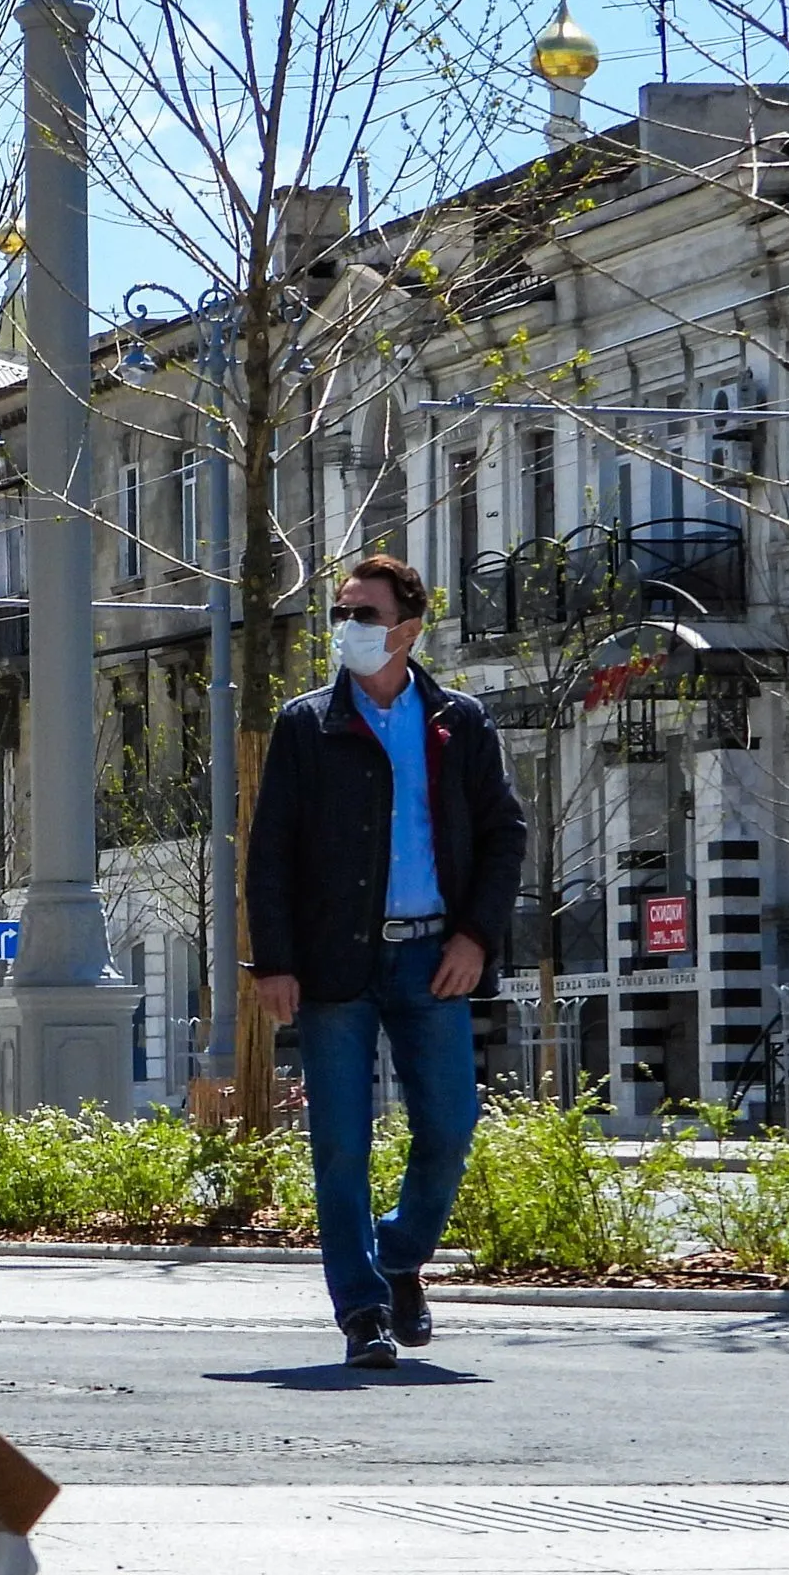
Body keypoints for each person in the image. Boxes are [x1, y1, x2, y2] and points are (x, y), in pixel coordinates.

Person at [246, 553, 527, 1370]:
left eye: (362, 614)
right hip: (335, 965)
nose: (347, 629)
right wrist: (276, 962)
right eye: (340, 612)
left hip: (436, 957)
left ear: (408, 626)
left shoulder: (460, 722)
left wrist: (476, 937)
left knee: (448, 1129)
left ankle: (398, 1258)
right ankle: (362, 1308)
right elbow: (271, 855)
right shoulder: (308, 724)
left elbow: (505, 835)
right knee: (339, 1144)